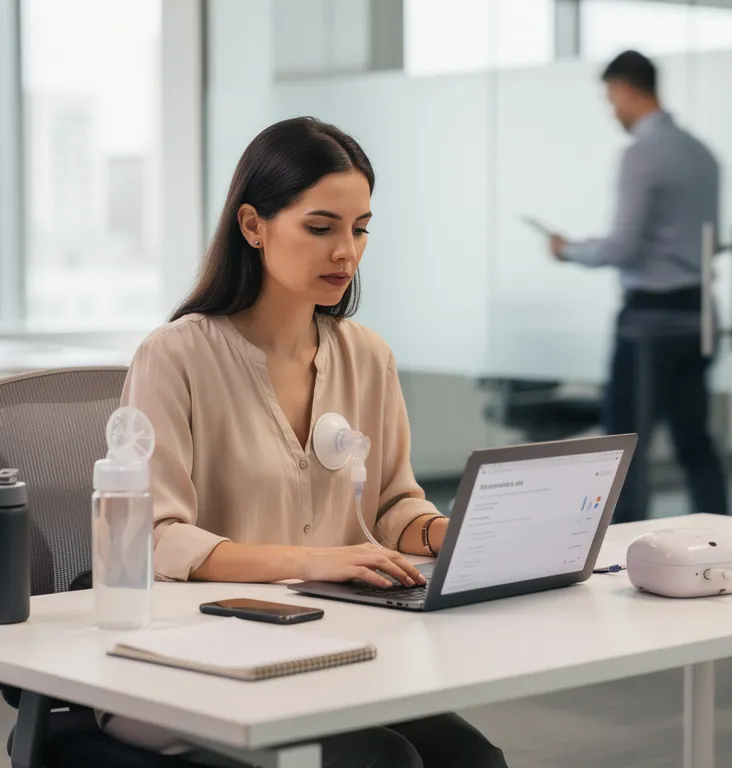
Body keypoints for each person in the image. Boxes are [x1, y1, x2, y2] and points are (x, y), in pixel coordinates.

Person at [109, 117, 508, 768]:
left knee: (472, 759)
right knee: (383, 762)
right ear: (253, 226)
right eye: (321, 228)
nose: (346, 252)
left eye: (360, 229)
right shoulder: (175, 356)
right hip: (200, 655)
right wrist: (312, 560)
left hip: (336, 646)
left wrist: (449, 533)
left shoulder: (367, 356)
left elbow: (391, 508)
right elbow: (155, 540)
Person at [548, 49, 729, 520]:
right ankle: (725, 533)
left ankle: (621, 547)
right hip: (698, 314)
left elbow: (623, 247)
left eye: (611, 98)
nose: (613, 110)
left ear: (626, 89)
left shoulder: (642, 154)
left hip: (650, 319)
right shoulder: (702, 153)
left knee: (624, 446)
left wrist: (569, 250)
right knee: (694, 439)